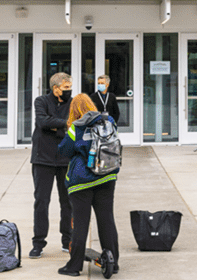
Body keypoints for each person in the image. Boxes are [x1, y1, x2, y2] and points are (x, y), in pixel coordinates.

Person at [57, 93, 120, 277]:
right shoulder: (109, 121)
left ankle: (74, 266)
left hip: (81, 183)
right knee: (107, 219)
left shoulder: (75, 128)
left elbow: (64, 150)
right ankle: (113, 263)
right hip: (107, 177)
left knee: (81, 224)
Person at [29, 72, 73, 258]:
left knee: (68, 202)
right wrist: (65, 124)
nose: (69, 92)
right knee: (41, 202)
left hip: (66, 159)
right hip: (43, 160)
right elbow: (42, 121)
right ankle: (38, 243)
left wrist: (55, 126)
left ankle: (67, 240)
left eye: (70, 88)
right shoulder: (41, 101)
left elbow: (77, 124)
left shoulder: (72, 104)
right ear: (56, 89)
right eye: (66, 88)